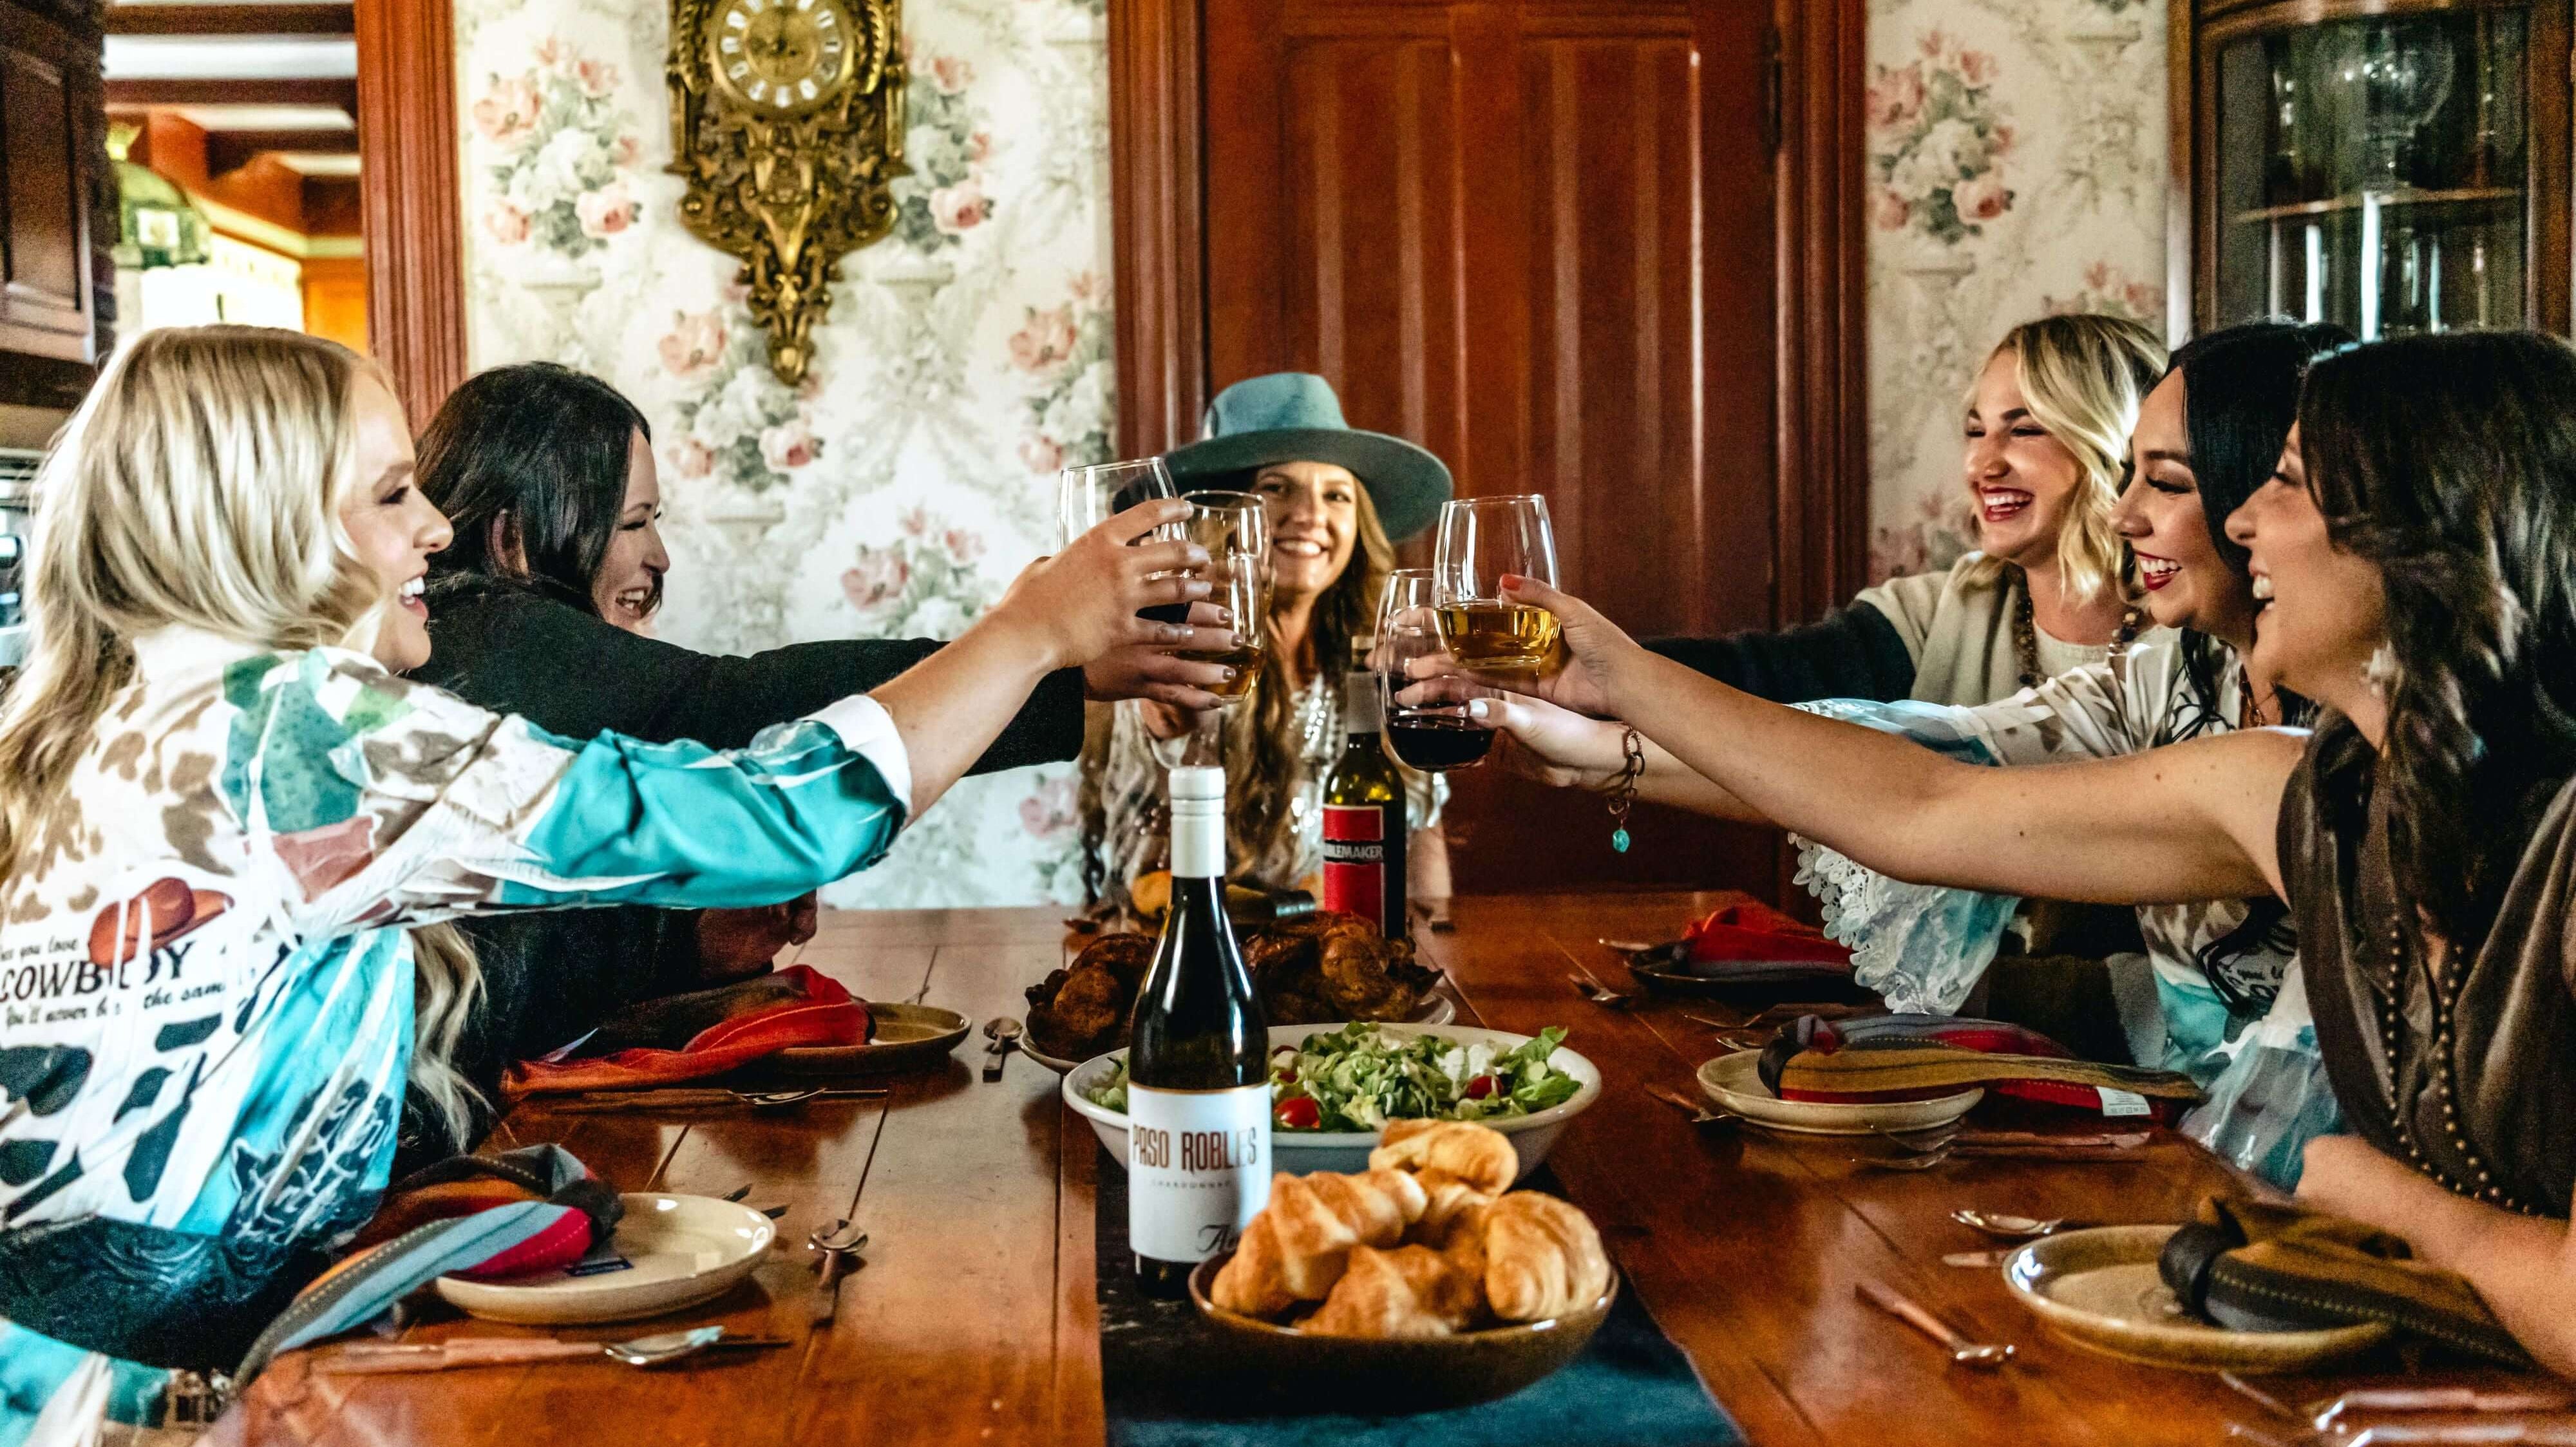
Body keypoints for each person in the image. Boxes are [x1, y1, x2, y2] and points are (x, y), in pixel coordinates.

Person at [0, 326, 1213, 1438]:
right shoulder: (299, 739)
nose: (435, 528)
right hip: (161, 1395)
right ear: (264, 527)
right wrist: (1032, 631)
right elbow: (776, 814)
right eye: (388, 494)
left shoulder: (79, 717)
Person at [1441, 330, 2576, 1372]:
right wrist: (1614, 689)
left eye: (2284, 483)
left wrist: (2400, 1204)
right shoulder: (2297, 784)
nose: (2241, 522)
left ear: (2430, 534)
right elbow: (1923, 804)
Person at [1443, 321, 2348, 1185]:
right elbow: (1894, 763)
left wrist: (1623, 697)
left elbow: (1926, 807)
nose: (2125, 516)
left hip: (2271, 1176)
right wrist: (1589, 743)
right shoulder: (2170, 676)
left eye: (2169, 483)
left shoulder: (2289, 763)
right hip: (2190, 1134)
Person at [406, 363, 1231, 1146]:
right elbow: (743, 710)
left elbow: (506, 968)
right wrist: (1042, 648)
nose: (658, 558)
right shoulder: (477, 624)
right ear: (514, 542)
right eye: (632, 525)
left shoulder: (470, 671)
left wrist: (684, 948)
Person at [1647, 312, 2170, 706]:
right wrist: (1572, 650)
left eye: (2025, 429)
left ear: (2116, 443)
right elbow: (1756, 676)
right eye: (1975, 431)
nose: (1983, 464)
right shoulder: (1941, 614)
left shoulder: (2195, 633)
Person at [1082, 373, 1455, 907]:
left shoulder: (1376, 661)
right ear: (1222, 519)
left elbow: (1421, 840)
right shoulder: (1174, 646)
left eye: (1336, 494)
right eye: (1276, 488)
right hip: (1187, 956)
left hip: (1338, 960)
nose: (1310, 515)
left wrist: (1431, 939)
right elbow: (1155, 840)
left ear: (1360, 525)